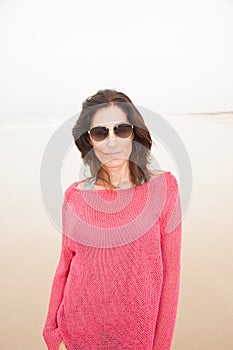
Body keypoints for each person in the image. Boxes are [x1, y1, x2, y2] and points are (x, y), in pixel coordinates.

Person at [42, 89, 183, 350]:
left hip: (137, 337)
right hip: (77, 332)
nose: (112, 141)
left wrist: (161, 345)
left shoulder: (165, 189)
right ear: (89, 141)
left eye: (121, 129)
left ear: (134, 133)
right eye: (100, 132)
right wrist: (52, 331)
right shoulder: (74, 196)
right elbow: (64, 267)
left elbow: (171, 274)